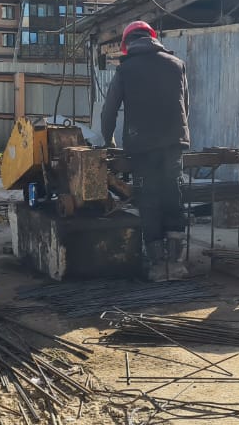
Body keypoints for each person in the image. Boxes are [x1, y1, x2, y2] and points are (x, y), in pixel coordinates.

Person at [101, 20, 191, 281]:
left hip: (141, 147)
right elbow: (185, 105)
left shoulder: (126, 69)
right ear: (153, 38)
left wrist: (107, 141)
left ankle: (157, 265)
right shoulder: (177, 64)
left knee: (149, 200)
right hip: (174, 144)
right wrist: (178, 135)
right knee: (173, 196)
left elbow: (109, 110)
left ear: (127, 44)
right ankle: (177, 264)